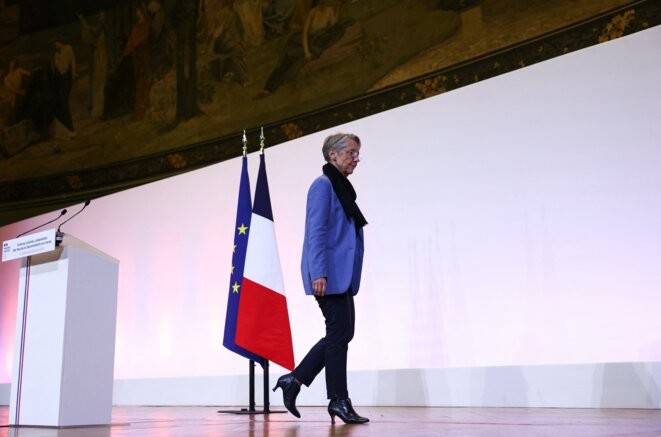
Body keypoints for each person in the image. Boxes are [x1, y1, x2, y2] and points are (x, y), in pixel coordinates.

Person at [273, 133, 369, 424]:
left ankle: (295, 380)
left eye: (357, 153)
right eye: (351, 152)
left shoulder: (342, 188)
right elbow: (315, 232)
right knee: (339, 336)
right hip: (327, 275)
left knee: (342, 334)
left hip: (342, 275)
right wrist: (319, 272)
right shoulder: (323, 186)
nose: (356, 158)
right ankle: (338, 400)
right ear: (333, 155)